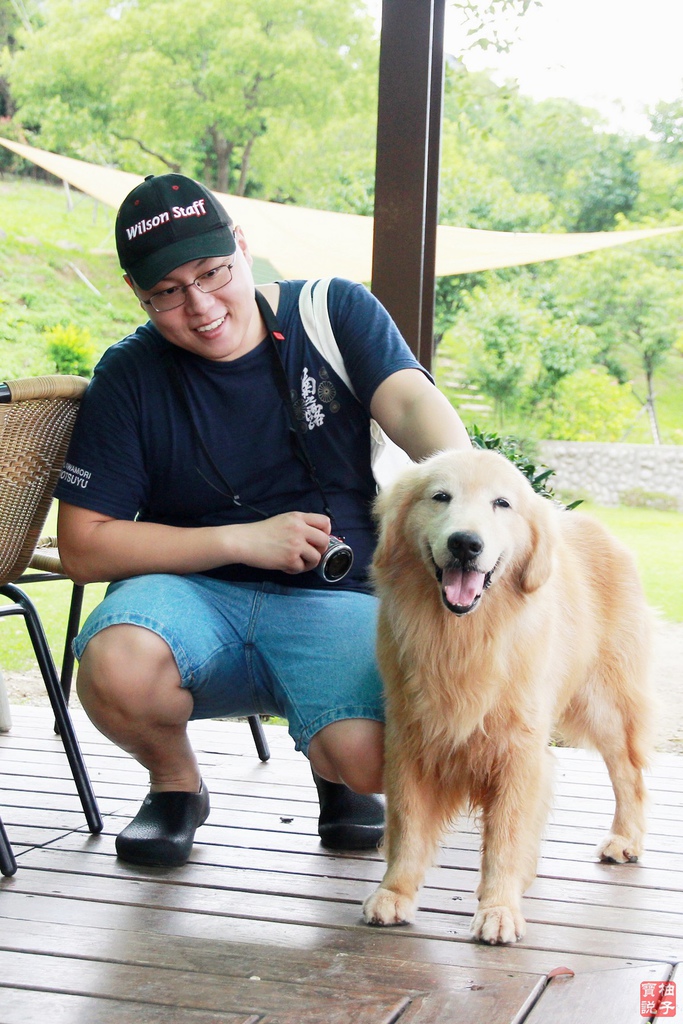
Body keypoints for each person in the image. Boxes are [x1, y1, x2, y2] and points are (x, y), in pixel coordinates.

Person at [55, 173, 471, 868]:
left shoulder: (331, 312)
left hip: (334, 597)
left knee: (370, 764)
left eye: (213, 273)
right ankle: (175, 786)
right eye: (168, 292)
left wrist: (464, 476)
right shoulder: (129, 374)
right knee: (117, 664)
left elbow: (406, 405)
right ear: (138, 293)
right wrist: (239, 540)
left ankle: (332, 770)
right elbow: (83, 546)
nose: (200, 305)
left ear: (242, 248)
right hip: (191, 599)